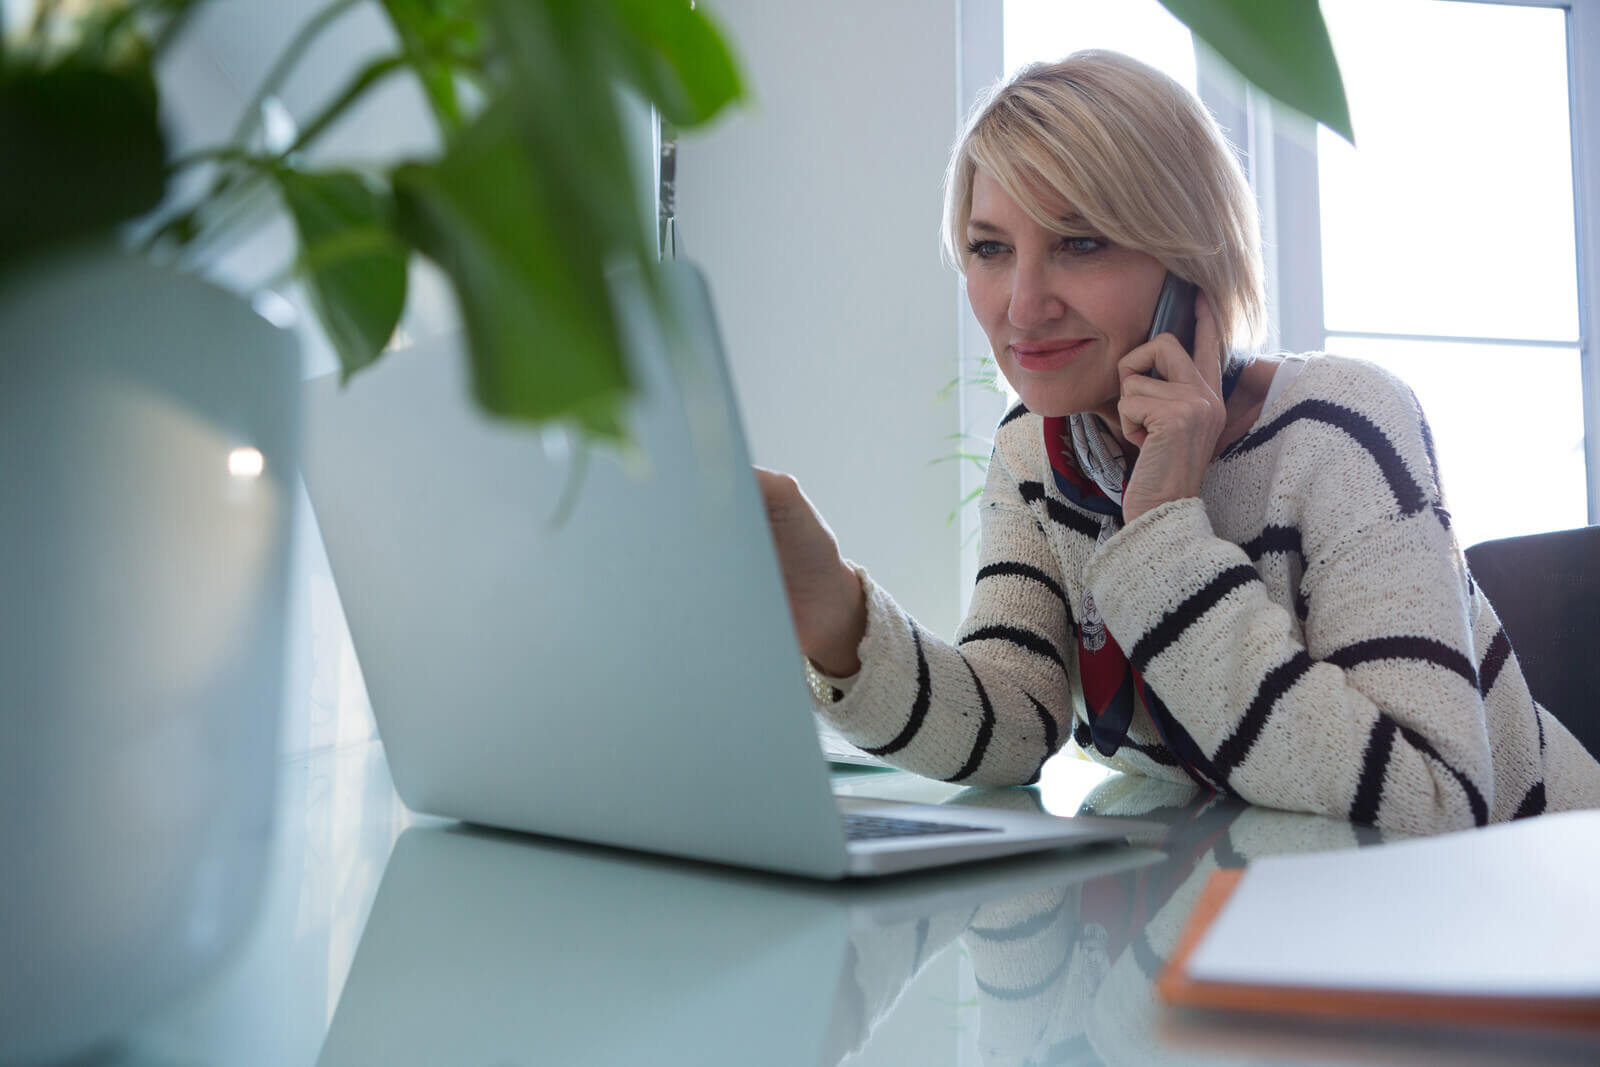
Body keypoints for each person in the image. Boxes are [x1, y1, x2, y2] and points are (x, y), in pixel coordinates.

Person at [756, 50, 1600, 837]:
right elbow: (1015, 720)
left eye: (1079, 242)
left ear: (1189, 258)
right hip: (1281, 924)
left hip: (1540, 913)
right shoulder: (1035, 454)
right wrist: (837, 614)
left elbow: (1435, 801)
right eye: (989, 249)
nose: (1020, 304)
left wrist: (1163, 527)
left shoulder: (1341, 424)